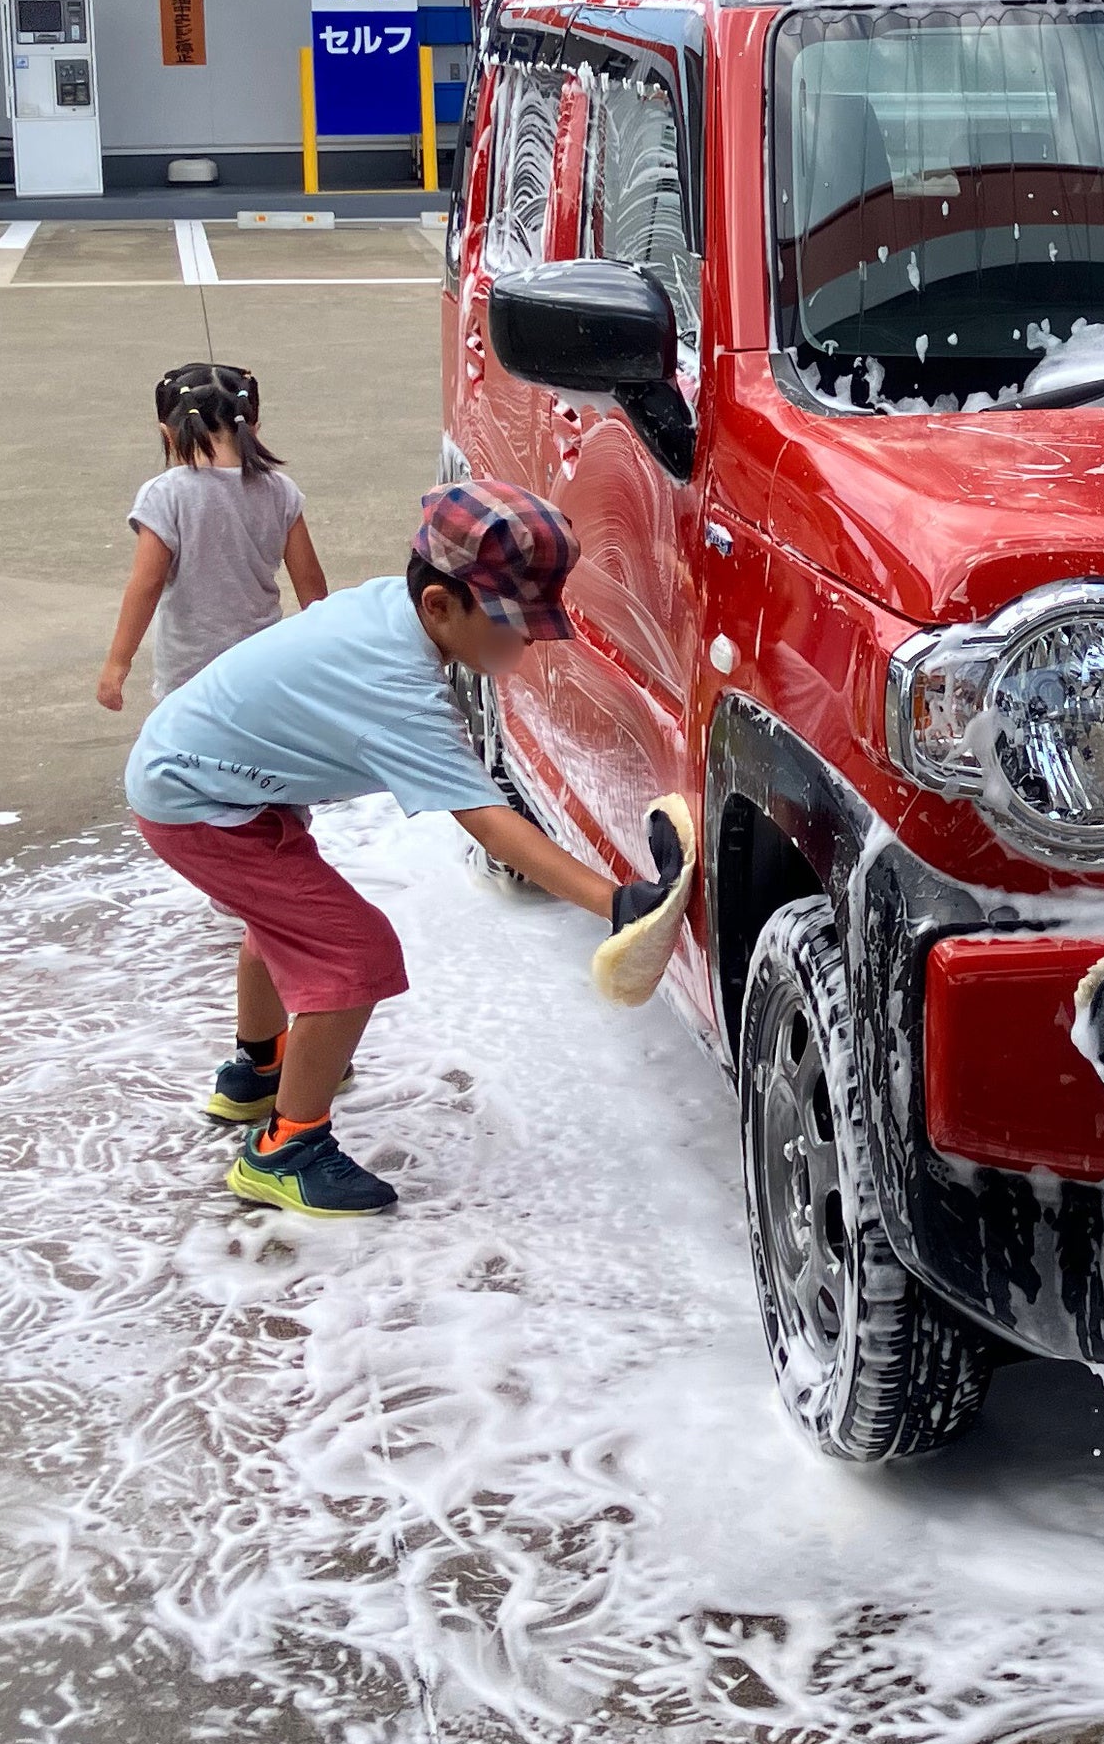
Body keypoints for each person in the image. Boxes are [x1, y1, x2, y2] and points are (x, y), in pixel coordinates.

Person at [124, 479, 698, 1220]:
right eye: (511, 624)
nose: (523, 644)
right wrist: (616, 903)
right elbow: (489, 823)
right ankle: (285, 1148)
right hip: (197, 802)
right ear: (440, 604)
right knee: (352, 954)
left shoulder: (389, 614)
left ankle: (258, 1070)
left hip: (208, 776)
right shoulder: (396, 683)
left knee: (285, 924)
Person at [96, 361, 328, 712]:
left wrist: (118, 662)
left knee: (189, 753)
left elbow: (147, 583)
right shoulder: (280, 490)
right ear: (254, 428)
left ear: (168, 434)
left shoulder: (165, 495)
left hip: (189, 673)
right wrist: (327, 654)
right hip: (260, 665)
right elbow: (312, 587)